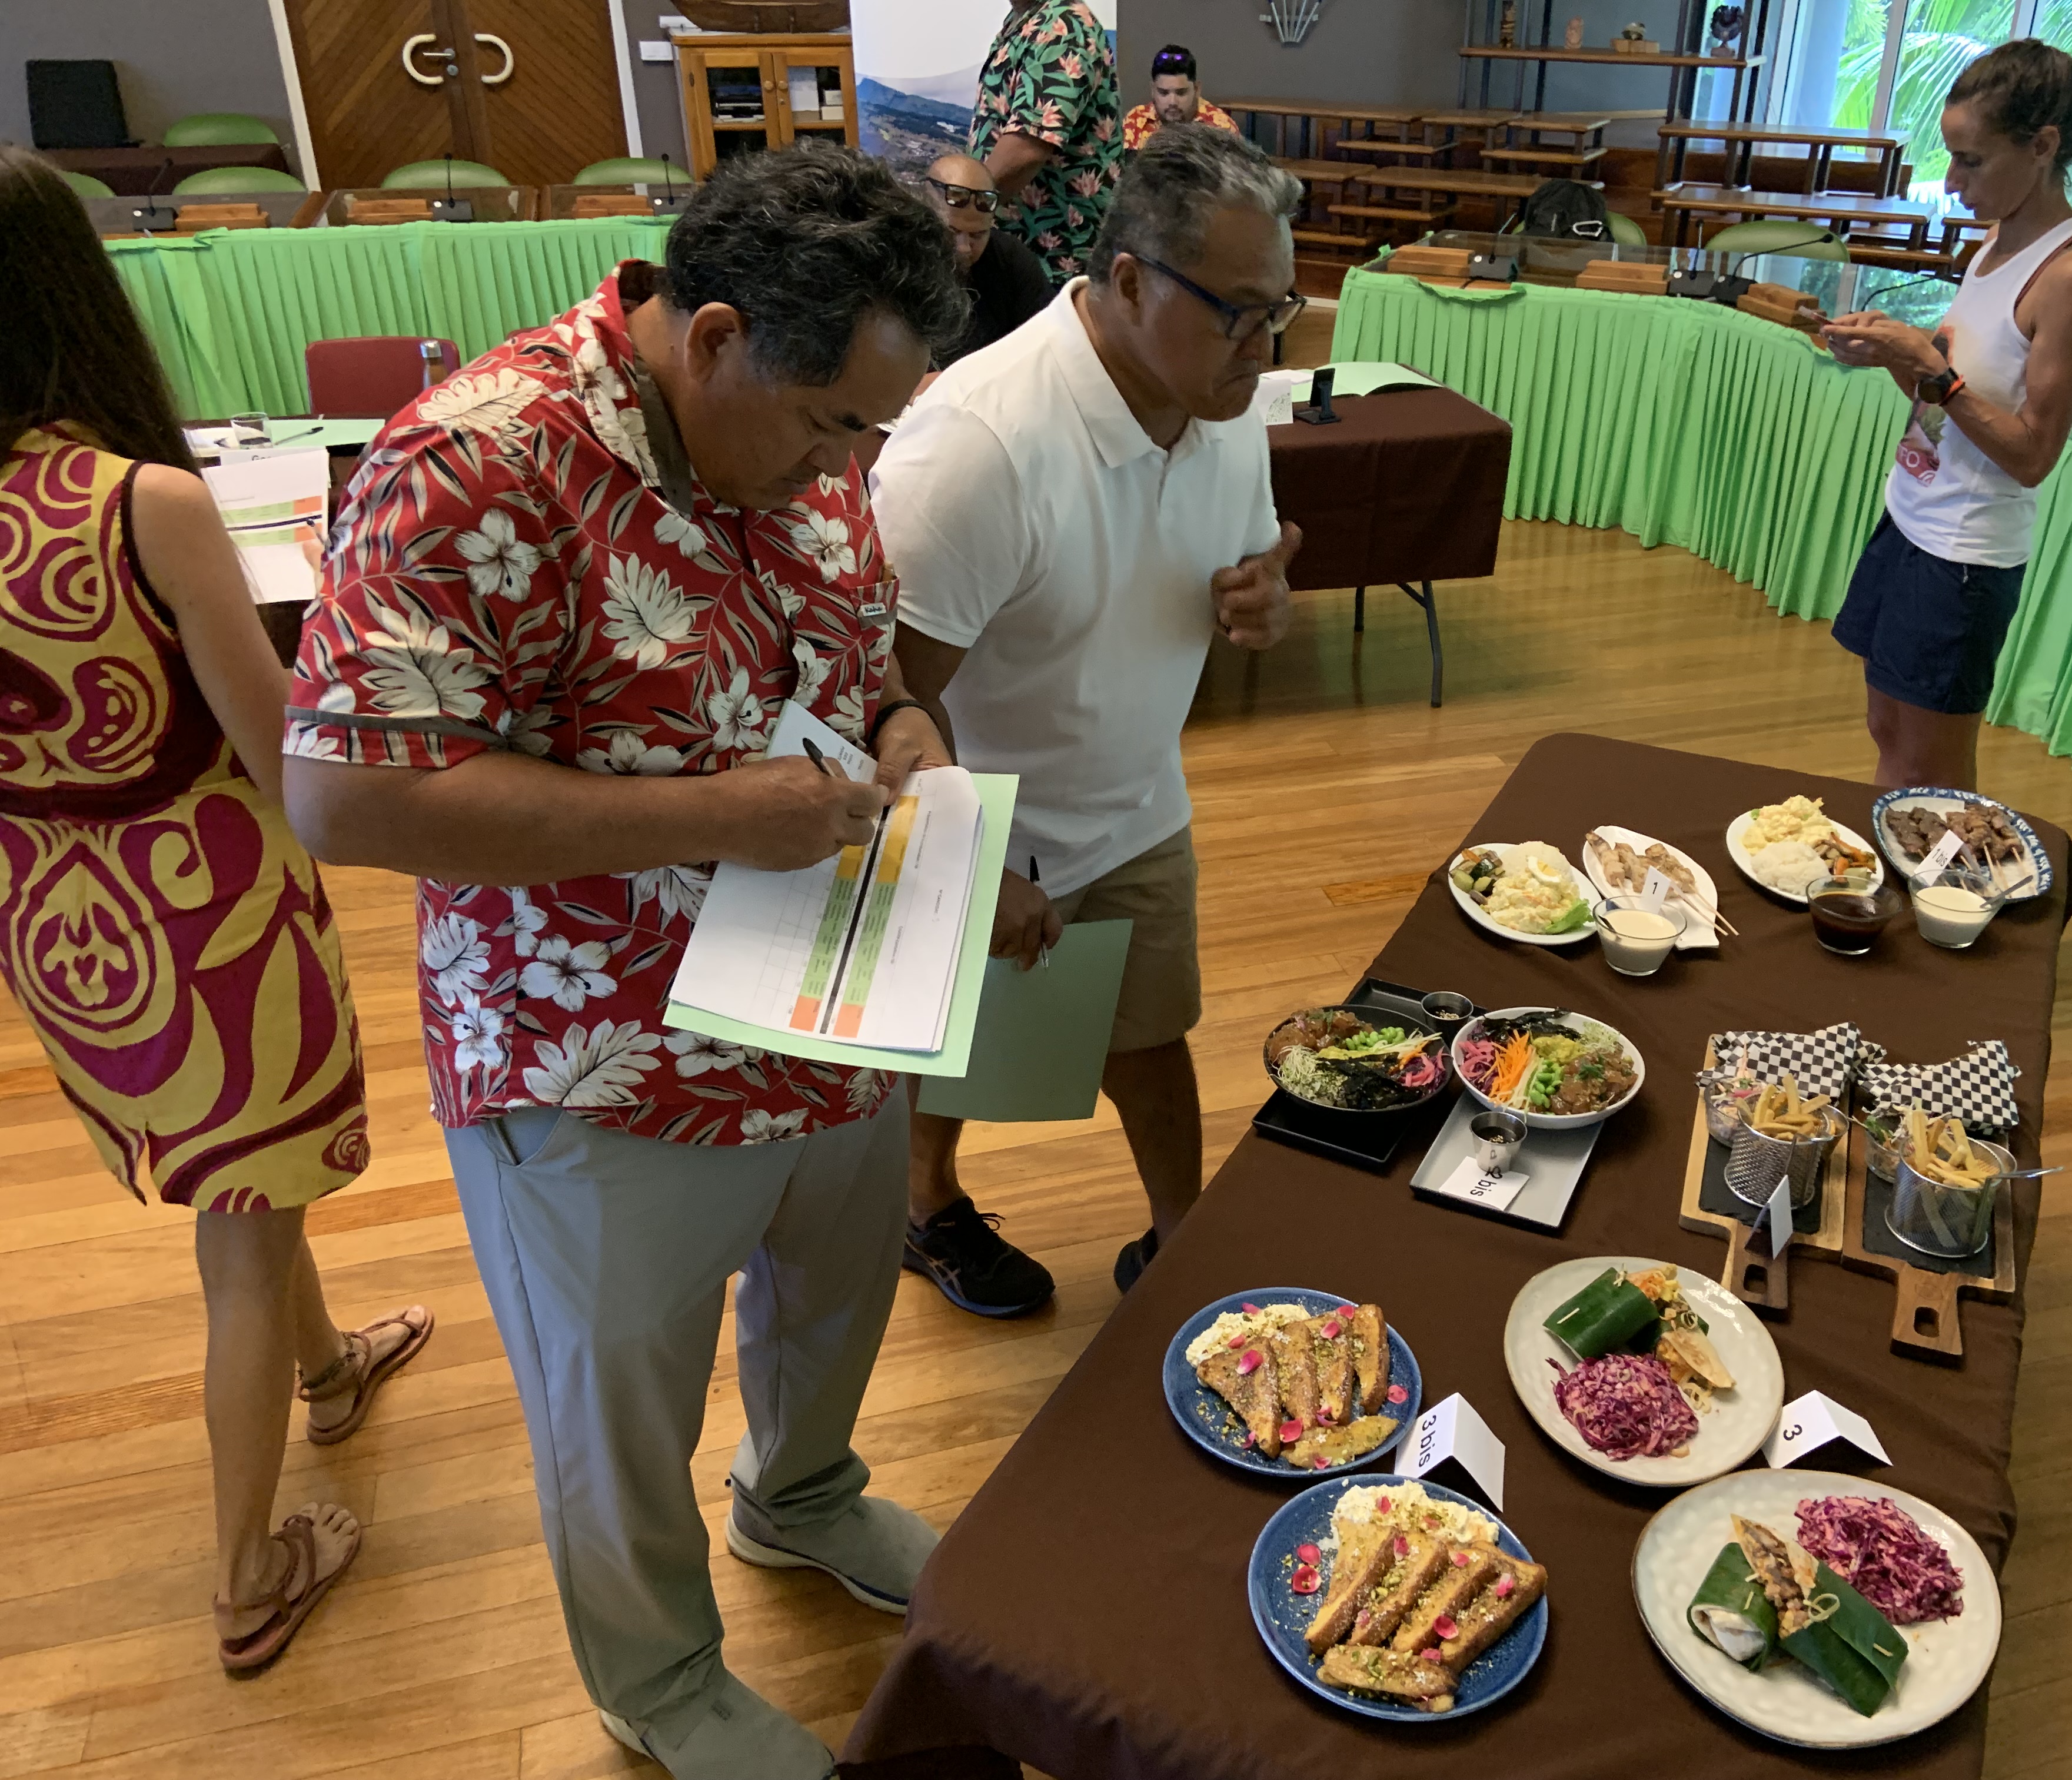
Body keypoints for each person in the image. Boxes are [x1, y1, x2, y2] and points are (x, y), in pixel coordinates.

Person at [280, 145, 966, 1780]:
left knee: (837, 1291)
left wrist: (912, 738)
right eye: (832, 425)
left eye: (871, 431)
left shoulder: (808, 437)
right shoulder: (476, 459)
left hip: (829, 988)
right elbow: (345, 791)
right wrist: (719, 813)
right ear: (715, 339)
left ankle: (800, 1498)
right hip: (598, 1047)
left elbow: (863, 659)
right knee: (621, 1397)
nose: (850, 464)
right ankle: (655, 1679)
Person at [0, 147, 431, 1673]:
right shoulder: (147, 504)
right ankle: (248, 1576)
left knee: (243, 1196)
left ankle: (331, 1372)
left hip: (55, 920)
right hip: (209, 913)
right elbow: (281, 757)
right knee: (242, 1240)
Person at [874, 126, 1302, 1317]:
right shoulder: (978, 443)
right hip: (985, 814)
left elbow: (1242, 564)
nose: (1263, 346)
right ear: (1126, 280)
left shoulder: (1225, 396)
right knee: (947, 1047)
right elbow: (885, 690)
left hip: (1137, 795)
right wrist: (969, 861)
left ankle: (1180, 1237)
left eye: (1280, 310)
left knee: (1150, 1034)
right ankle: (925, 1209)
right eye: (1239, 313)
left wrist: (1264, 600)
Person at [1821, 39, 2072, 791]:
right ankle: (1895, 864)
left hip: (1964, 556)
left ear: (2043, 146)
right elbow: (1947, 401)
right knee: (1888, 731)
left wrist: (1933, 370)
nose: (1952, 183)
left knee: (1932, 772)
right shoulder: (1995, 239)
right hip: (1911, 517)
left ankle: (1941, 873)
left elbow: (2032, 456)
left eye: (1971, 161)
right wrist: (1892, 353)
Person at [970, 0, 1123, 280]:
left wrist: (963, 207)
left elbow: (1027, 148)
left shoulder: (1063, 27)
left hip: (1054, 261)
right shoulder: (1022, 20)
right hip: (1022, 253)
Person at [920, 151, 1054, 364]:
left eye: (977, 235)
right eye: (952, 233)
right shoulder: (894, 257)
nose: (964, 248)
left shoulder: (1011, 261)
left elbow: (1048, 345)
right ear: (923, 217)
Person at [1122, 44, 1240, 151]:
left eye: (1181, 93)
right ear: (1153, 90)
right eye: (1164, 93)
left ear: (1197, 90)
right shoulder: (1136, 120)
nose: (1172, 102)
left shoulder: (1221, 129)